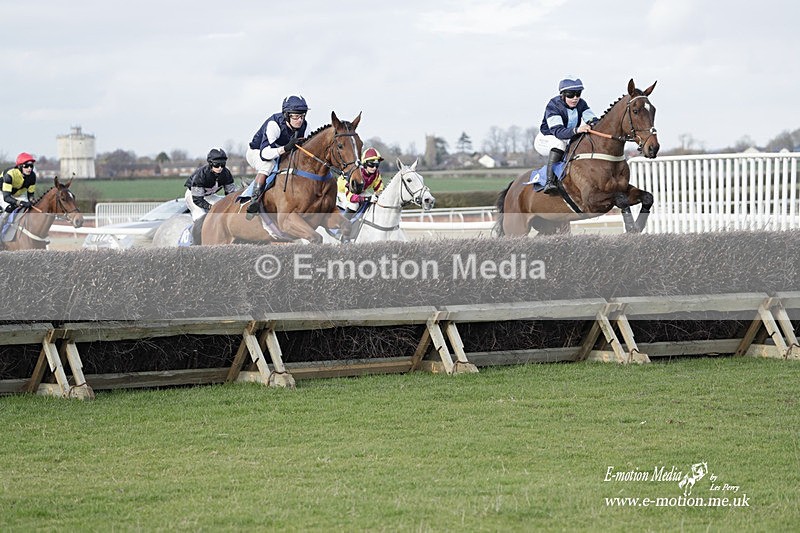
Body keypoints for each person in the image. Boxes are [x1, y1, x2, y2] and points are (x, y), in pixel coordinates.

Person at [245, 95, 309, 219]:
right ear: (286, 115)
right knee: (269, 164)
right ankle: (254, 201)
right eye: (296, 116)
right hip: (257, 152)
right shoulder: (274, 124)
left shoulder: (305, 126)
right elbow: (265, 154)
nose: (300, 120)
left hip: (280, 153)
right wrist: (285, 148)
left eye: (302, 116)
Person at [535, 77, 599, 195]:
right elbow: (558, 132)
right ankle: (550, 182)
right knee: (559, 144)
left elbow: (593, 120)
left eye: (578, 94)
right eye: (570, 95)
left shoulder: (581, 103)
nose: (575, 98)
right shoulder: (553, 105)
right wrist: (578, 129)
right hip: (546, 138)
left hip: (567, 138)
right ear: (562, 95)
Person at [183, 148, 236, 220]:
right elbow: (197, 199)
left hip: (209, 196)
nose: (220, 168)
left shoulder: (226, 174)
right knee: (200, 215)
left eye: (223, 164)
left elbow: (231, 195)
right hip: (193, 196)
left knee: (224, 208)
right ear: (210, 163)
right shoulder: (201, 175)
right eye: (216, 165)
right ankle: (193, 230)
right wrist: (209, 206)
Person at [338, 147, 385, 215]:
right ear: (365, 164)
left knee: (374, 201)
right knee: (354, 205)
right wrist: (367, 199)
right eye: (371, 164)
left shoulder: (376, 174)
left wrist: (377, 196)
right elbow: (350, 197)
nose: (374, 168)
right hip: (343, 192)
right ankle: (343, 225)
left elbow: (379, 190)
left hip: (359, 192)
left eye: (377, 165)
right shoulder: (355, 174)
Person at [0, 152, 37, 231]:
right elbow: (6, 197)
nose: (29, 168)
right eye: (26, 166)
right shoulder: (10, 174)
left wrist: (33, 201)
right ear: (20, 166)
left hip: (17, 195)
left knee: (31, 208)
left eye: (31, 166)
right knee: (9, 208)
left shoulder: (32, 176)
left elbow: (30, 195)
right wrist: (20, 203)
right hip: (3, 194)